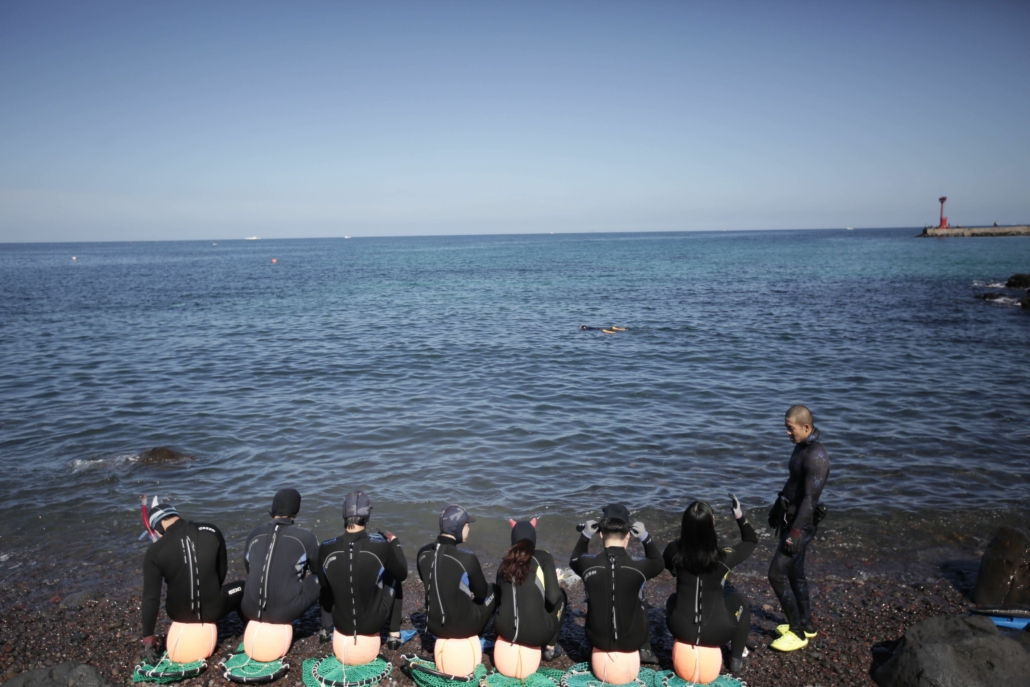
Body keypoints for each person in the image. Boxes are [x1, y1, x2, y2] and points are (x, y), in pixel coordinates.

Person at [140, 502, 244, 663]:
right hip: (215, 609)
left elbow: (150, 597)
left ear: (158, 528)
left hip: (178, 613)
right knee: (242, 586)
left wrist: (148, 638)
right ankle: (246, 630)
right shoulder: (211, 531)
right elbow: (221, 572)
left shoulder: (154, 551)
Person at [663, 497, 756, 675]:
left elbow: (668, 566)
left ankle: (682, 643)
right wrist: (739, 516)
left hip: (680, 629)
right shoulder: (723, 557)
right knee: (740, 603)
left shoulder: (674, 550)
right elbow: (751, 541)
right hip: (718, 633)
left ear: (685, 524)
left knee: (672, 599)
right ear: (711, 523)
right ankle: (736, 659)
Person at [767, 405, 830, 652]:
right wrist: (776, 507)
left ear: (806, 427)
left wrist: (794, 534)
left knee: (776, 574)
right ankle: (807, 623)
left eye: (790, 428)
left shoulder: (817, 456)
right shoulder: (801, 447)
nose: (787, 433)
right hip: (789, 518)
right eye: (786, 428)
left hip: (800, 525)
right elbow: (793, 482)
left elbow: (809, 500)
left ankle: (796, 632)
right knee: (796, 573)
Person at [569, 503, 663, 663]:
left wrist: (585, 536)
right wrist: (646, 538)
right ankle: (645, 650)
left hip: (597, 640)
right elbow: (658, 562)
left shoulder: (587, 565)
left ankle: (588, 647)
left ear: (601, 534)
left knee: (592, 589)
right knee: (640, 597)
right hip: (634, 641)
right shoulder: (639, 567)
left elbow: (574, 560)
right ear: (628, 534)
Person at [318, 491, 410, 649]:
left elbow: (324, 585)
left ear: (344, 515)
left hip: (341, 624)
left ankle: (326, 630)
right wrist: (395, 543)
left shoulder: (326, 546)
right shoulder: (382, 546)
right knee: (393, 576)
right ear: (367, 516)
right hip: (373, 625)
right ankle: (394, 635)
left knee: (328, 580)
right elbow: (402, 573)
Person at [240, 488, 321, 624]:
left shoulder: (254, 534)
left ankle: (245, 623)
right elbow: (317, 569)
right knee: (323, 574)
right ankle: (326, 628)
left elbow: (249, 568)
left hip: (249, 609)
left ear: (273, 509)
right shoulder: (306, 536)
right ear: (296, 510)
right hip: (285, 613)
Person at [416, 504, 497, 639]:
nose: (469, 528)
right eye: (467, 524)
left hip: (433, 626)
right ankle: (482, 637)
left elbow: (428, 580)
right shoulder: (466, 558)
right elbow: (482, 595)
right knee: (493, 590)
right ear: (458, 527)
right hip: (463, 629)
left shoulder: (422, 553)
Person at [495, 519, 567, 661]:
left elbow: (499, 598)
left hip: (504, 632)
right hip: (537, 635)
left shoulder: (503, 563)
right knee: (561, 596)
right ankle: (550, 648)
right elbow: (553, 597)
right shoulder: (543, 557)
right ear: (533, 538)